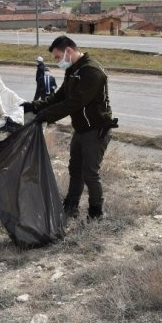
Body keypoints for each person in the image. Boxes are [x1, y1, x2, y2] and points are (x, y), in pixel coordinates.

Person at [21, 36, 117, 222]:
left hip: (96, 130)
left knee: (90, 173)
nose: (57, 61)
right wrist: (34, 106)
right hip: (81, 130)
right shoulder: (73, 71)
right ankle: (71, 207)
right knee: (75, 170)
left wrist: (46, 116)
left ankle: (96, 212)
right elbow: (59, 97)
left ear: (69, 51)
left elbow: (75, 102)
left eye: (58, 57)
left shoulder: (91, 71)